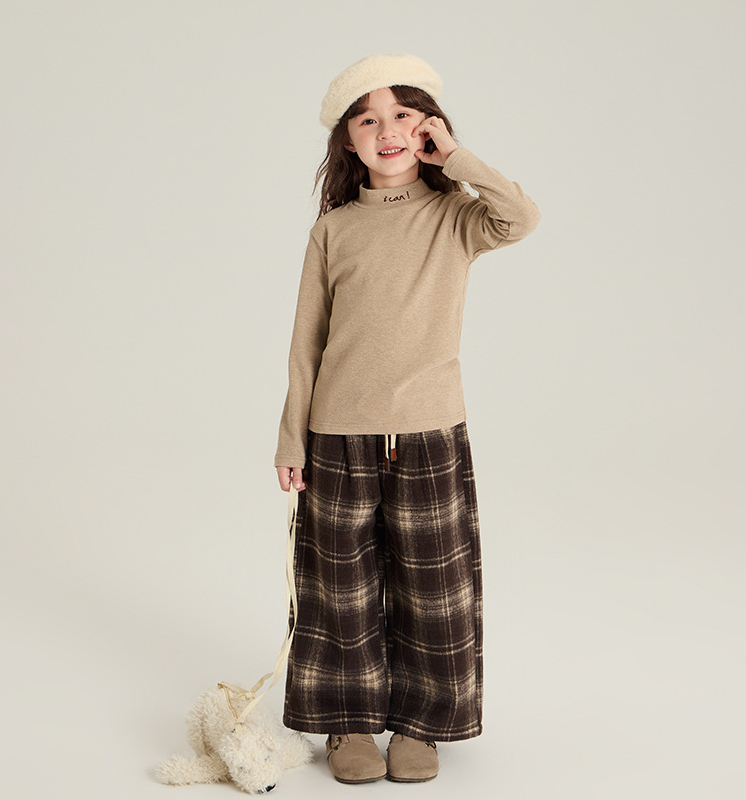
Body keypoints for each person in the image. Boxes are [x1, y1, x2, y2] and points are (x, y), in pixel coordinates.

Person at [274, 53, 541, 784]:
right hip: (337, 434)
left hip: (429, 432)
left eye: (403, 115)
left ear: (429, 128)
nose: (386, 130)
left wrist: (457, 159)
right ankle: (350, 721)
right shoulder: (335, 229)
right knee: (341, 588)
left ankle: (422, 724)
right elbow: (306, 342)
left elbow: (522, 217)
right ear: (348, 140)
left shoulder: (456, 217)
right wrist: (292, 435)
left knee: (434, 586)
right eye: (368, 120)